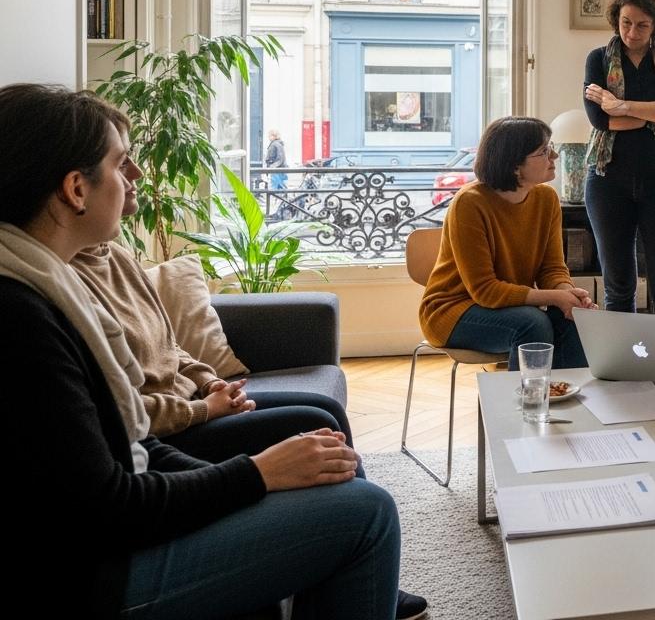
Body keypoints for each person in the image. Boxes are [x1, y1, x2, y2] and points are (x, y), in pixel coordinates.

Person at [0, 83, 413, 619]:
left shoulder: (47, 286)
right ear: (76, 189)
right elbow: (108, 509)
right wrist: (257, 474)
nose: (135, 176)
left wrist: (244, 480)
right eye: (120, 163)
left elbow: (135, 446)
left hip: (109, 542)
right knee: (368, 512)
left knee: (321, 468)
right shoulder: (22, 320)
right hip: (87, 577)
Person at [70, 239, 363, 475]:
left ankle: (346, 503)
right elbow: (117, 411)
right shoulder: (67, 287)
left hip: (193, 403)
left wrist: (209, 383)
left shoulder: (117, 256)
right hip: (165, 434)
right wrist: (205, 409)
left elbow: (169, 346)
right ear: (76, 192)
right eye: (120, 176)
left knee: (325, 407)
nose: (133, 184)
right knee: (313, 420)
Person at [419, 116, 594, 370]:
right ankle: (526, 396)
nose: (554, 156)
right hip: (451, 311)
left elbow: (552, 268)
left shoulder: (547, 199)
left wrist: (569, 296)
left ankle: (566, 394)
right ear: (514, 165)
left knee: (573, 318)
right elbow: (485, 291)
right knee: (532, 323)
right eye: (544, 151)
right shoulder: (469, 203)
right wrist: (556, 297)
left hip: (507, 307)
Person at [582, 0, 655, 315]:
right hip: (607, 181)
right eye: (626, 22)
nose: (632, 32)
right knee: (618, 288)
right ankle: (624, 353)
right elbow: (600, 120)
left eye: (642, 25)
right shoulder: (598, 60)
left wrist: (622, 106)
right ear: (616, 19)